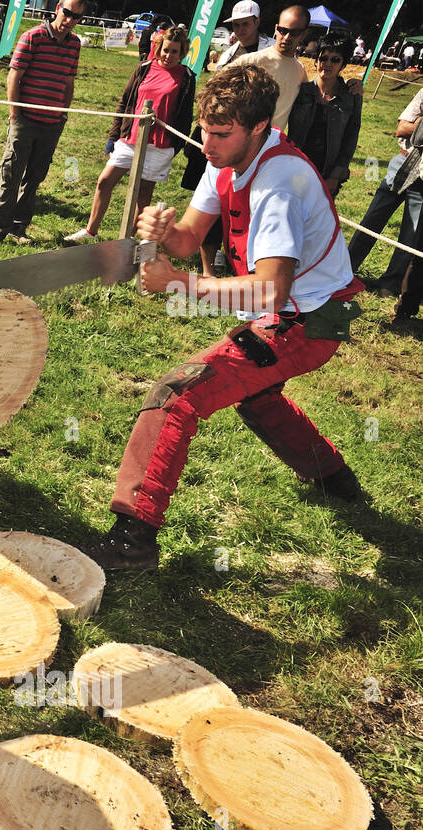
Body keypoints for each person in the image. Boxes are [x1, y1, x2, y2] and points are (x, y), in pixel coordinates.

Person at [77, 65, 365, 570]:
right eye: (205, 130)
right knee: (254, 395)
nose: (206, 145)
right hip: (295, 311)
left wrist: (180, 285)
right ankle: (335, 481)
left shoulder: (280, 183)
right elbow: (190, 239)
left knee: (177, 393)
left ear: (258, 128)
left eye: (220, 134)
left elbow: (271, 293)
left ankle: (132, 540)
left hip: (315, 319)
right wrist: (165, 231)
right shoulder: (226, 154)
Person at [66, 26, 195, 243]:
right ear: (158, 47)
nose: (168, 55)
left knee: (142, 195)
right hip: (130, 138)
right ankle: (90, 231)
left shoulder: (187, 77)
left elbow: (186, 115)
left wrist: (176, 145)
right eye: (165, 50)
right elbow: (125, 102)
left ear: (182, 53)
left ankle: (128, 240)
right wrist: (113, 136)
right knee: (104, 181)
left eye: (174, 51)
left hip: (160, 144)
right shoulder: (144, 68)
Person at [182, 1, 275, 276]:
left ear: (258, 22)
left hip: (258, 143)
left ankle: (249, 259)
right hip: (226, 140)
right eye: (236, 24)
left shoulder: (272, 54)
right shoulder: (227, 56)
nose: (241, 28)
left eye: (246, 23)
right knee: (215, 195)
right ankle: (210, 261)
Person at [0, 0, 82, 246]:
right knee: (11, 175)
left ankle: (19, 229)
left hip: (52, 124)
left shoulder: (75, 44)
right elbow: (14, 76)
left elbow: (69, 83)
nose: (70, 20)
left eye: (77, 17)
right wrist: (15, 113)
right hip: (25, 120)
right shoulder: (33, 37)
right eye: (67, 13)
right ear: (58, 8)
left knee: (35, 178)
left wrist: (63, 114)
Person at [346, 86, 423, 296]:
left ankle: (390, 284)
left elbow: (412, 128)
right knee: (372, 218)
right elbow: (402, 128)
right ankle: (345, 269)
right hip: (403, 163)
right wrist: (417, 126)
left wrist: (418, 125)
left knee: (412, 232)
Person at [287, 33, 361, 199]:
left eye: (335, 60)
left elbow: (351, 137)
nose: (327, 64)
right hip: (294, 167)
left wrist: (335, 175)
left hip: (327, 172)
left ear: (343, 65)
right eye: (323, 58)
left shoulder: (352, 97)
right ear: (316, 60)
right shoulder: (301, 91)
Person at [224, 6, 308, 134]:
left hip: (270, 146)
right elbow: (214, 90)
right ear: (276, 28)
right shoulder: (250, 60)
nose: (286, 37)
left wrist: (348, 85)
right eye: (282, 30)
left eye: (294, 32)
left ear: (304, 34)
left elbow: (318, 96)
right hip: (240, 140)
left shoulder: (300, 71)